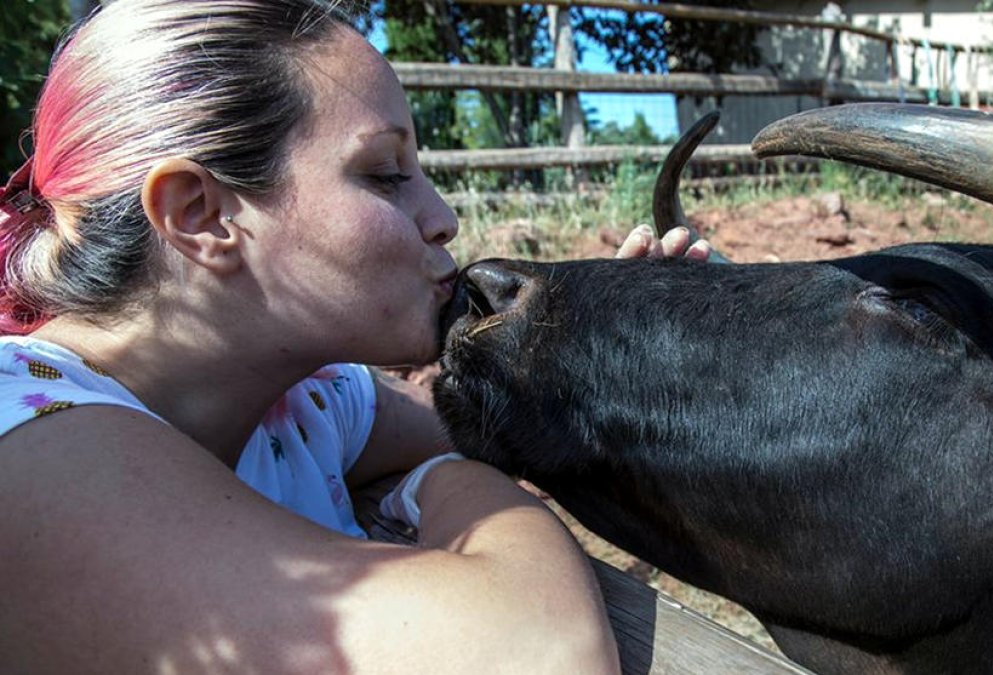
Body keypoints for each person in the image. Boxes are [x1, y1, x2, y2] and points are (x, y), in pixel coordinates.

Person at [0, 1, 710, 672]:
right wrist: (447, 482)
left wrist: (591, 354)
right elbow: (534, 649)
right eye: (385, 174)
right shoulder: (29, 450)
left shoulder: (308, 403)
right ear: (199, 215)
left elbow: (492, 430)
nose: (442, 218)